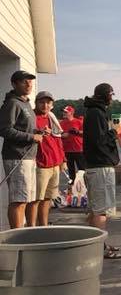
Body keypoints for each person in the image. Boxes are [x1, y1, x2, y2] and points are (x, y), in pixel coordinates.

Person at [83, 83, 121, 258]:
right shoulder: (96, 113)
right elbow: (99, 141)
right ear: (105, 95)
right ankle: (99, 248)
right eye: (111, 95)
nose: (112, 98)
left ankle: (97, 244)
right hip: (100, 167)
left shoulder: (94, 111)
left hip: (95, 166)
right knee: (101, 211)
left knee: (95, 209)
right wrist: (115, 132)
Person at [0, 70, 41, 229]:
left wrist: (37, 133)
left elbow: (24, 129)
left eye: (30, 81)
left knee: (26, 198)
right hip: (17, 157)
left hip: (29, 157)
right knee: (18, 199)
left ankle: (24, 234)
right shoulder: (12, 103)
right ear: (14, 84)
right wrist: (31, 137)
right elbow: (4, 129)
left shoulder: (26, 103)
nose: (29, 84)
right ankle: (16, 237)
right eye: (24, 81)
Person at [27, 91, 66, 226]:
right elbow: (26, 134)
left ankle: (43, 226)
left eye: (48, 102)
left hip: (55, 163)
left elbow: (58, 139)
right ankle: (31, 229)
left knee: (48, 198)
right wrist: (37, 132)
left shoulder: (52, 118)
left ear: (52, 105)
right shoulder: (31, 117)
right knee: (35, 199)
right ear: (36, 103)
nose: (45, 105)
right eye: (41, 102)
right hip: (40, 164)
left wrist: (63, 160)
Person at [61, 105, 84, 181]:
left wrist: (77, 132)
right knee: (71, 170)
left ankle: (83, 186)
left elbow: (87, 133)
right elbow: (58, 134)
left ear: (71, 113)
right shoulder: (62, 123)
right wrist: (62, 135)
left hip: (78, 149)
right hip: (67, 150)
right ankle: (72, 187)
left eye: (66, 112)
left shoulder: (78, 122)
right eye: (64, 111)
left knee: (81, 170)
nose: (64, 113)